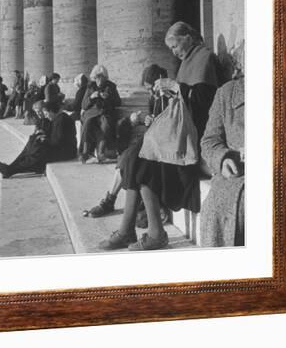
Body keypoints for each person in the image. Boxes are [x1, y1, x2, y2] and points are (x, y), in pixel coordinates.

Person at [99, 22, 221, 251]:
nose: (174, 52)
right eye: (171, 49)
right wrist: (170, 91)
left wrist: (175, 87)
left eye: (175, 46)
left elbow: (207, 101)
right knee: (133, 157)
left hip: (192, 138)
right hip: (178, 133)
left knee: (142, 163)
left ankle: (153, 233)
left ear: (188, 37)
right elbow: (184, 96)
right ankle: (130, 231)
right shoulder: (187, 62)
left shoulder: (205, 58)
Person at [87, 65, 167, 218]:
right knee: (126, 158)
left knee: (130, 158)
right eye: (148, 90)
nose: (151, 93)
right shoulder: (155, 98)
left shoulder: (168, 97)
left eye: (152, 89)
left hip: (163, 147)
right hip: (152, 141)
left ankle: (110, 202)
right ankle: (109, 200)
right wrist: (147, 120)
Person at [200, 46, 245, 247]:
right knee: (215, 210)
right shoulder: (226, 93)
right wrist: (223, 158)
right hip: (233, 177)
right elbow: (209, 141)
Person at [0, 101, 77, 178]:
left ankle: (11, 170)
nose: (46, 116)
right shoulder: (58, 118)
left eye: (46, 113)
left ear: (51, 111)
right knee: (34, 143)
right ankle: (10, 168)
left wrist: (44, 140)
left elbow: (58, 141)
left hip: (66, 152)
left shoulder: (62, 120)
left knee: (37, 153)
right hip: (61, 149)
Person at [79, 65, 121, 163]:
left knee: (105, 124)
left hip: (105, 112)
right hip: (91, 114)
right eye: (98, 77)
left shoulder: (111, 86)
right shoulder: (90, 86)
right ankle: (86, 154)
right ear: (94, 77)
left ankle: (102, 153)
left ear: (105, 78)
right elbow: (84, 105)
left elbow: (118, 102)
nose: (100, 80)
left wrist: (108, 97)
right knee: (88, 124)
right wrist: (91, 97)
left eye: (102, 77)